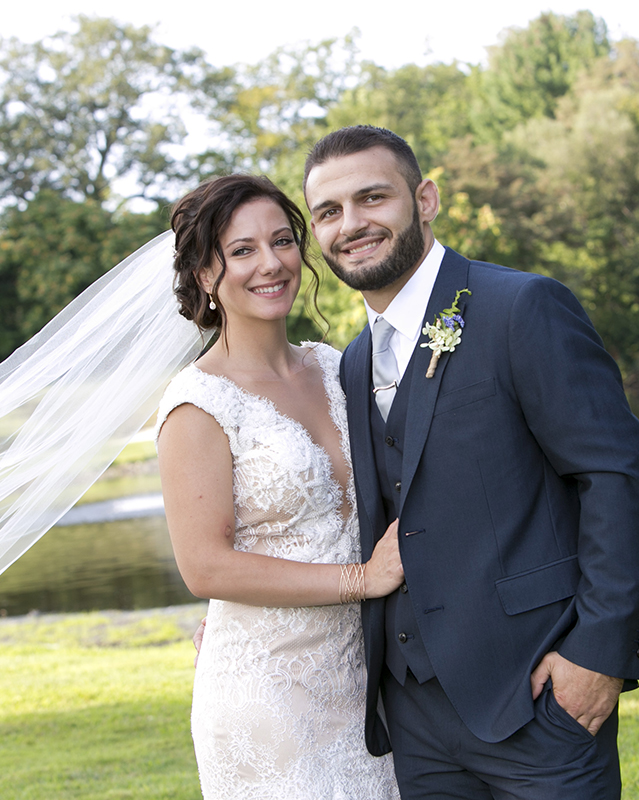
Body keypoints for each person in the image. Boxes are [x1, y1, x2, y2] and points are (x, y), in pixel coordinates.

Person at [302, 125, 639, 798]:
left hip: (538, 692)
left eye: (372, 198)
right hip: (411, 715)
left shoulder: (521, 306)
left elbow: (617, 480)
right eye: (329, 211)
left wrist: (597, 653)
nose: (351, 225)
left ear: (425, 200)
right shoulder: (352, 361)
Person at [154, 174, 403, 799]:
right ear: (205, 275)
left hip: (368, 682)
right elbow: (205, 567)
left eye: (283, 241)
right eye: (242, 250)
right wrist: (363, 579)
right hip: (267, 697)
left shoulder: (336, 366)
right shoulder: (198, 403)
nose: (270, 263)